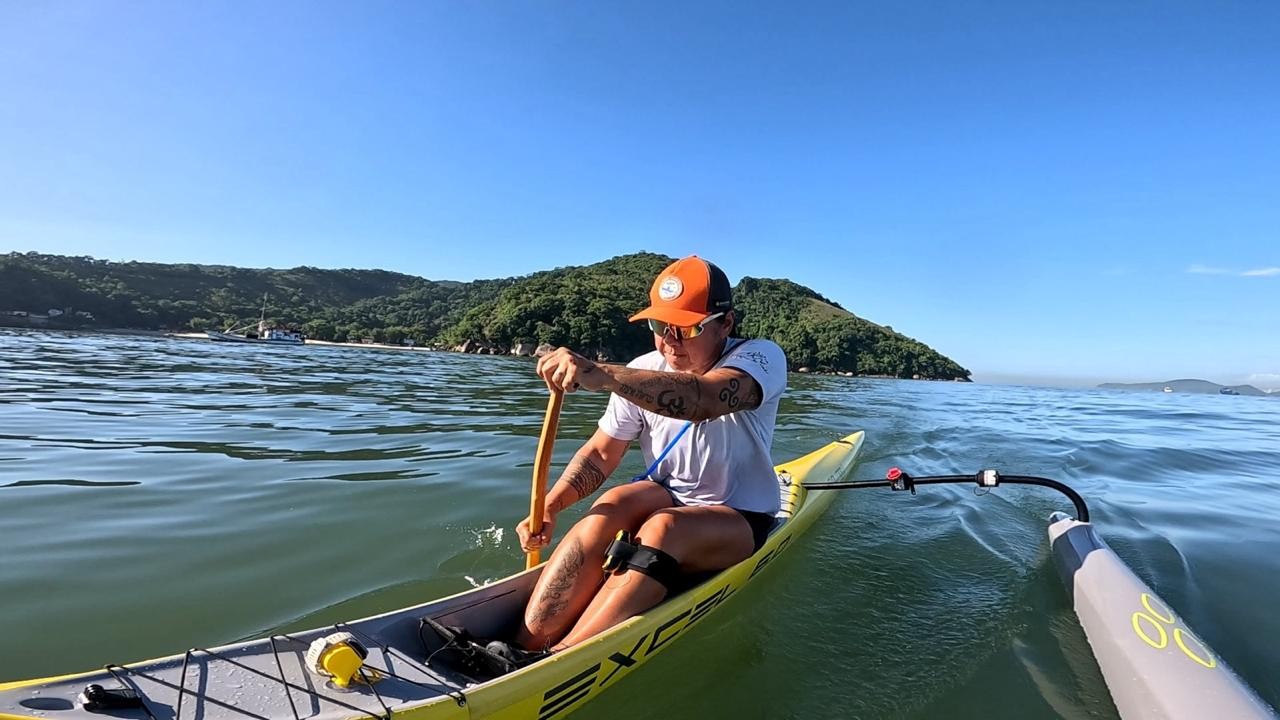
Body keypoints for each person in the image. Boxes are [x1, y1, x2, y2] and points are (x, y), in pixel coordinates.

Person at [487, 255, 787, 667]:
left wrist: (603, 374)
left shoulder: (760, 358)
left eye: (686, 328)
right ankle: (521, 643)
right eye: (659, 327)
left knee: (664, 528)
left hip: (741, 514)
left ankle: (559, 660)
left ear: (726, 323)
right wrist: (551, 507)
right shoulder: (642, 369)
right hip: (669, 495)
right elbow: (600, 453)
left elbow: (704, 399)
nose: (669, 341)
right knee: (616, 503)